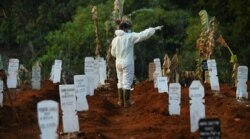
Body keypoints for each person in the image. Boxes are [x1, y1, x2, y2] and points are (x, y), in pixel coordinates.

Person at [111, 22, 163, 107]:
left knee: (120, 81)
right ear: (125, 29)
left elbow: (113, 53)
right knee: (127, 81)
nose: (128, 30)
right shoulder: (129, 37)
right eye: (127, 28)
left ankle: (120, 101)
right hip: (127, 62)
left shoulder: (115, 40)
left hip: (118, 62)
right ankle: (127, 102)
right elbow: (142, 35)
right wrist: (153, 29)